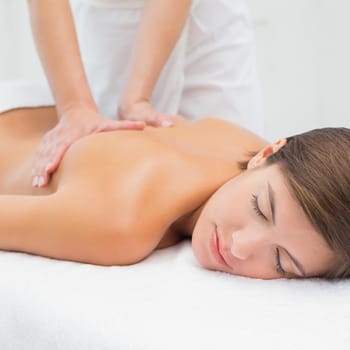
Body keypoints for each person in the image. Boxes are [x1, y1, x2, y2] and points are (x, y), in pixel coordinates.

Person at [0, 105, 349, 280]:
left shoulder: (242, 144)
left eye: (281, 262)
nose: (240, 247)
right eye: (260, 208)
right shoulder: (121, 224)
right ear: (266, 154)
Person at [27, 0, 264, 187]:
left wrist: (136, 99)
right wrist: (75, 107)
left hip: (206, 29)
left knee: (235, 174)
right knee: (105, 172)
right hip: (105, 25)